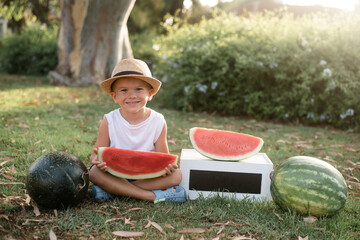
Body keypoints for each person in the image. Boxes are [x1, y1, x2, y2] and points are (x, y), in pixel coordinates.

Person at [89, 58, 187, 203]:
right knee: (93, 172)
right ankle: (151, 197)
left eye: (139, 89)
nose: (132, 95)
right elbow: (95, 154)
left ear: (150, 94)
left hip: (148, 176)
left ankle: (114, 191)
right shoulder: (109, 120)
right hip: (116, 174)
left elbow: (163, 158)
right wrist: (97, 161)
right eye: (124, 90)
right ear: (114, 96)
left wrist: (169, 168)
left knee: (177, 175)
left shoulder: (158, 120)